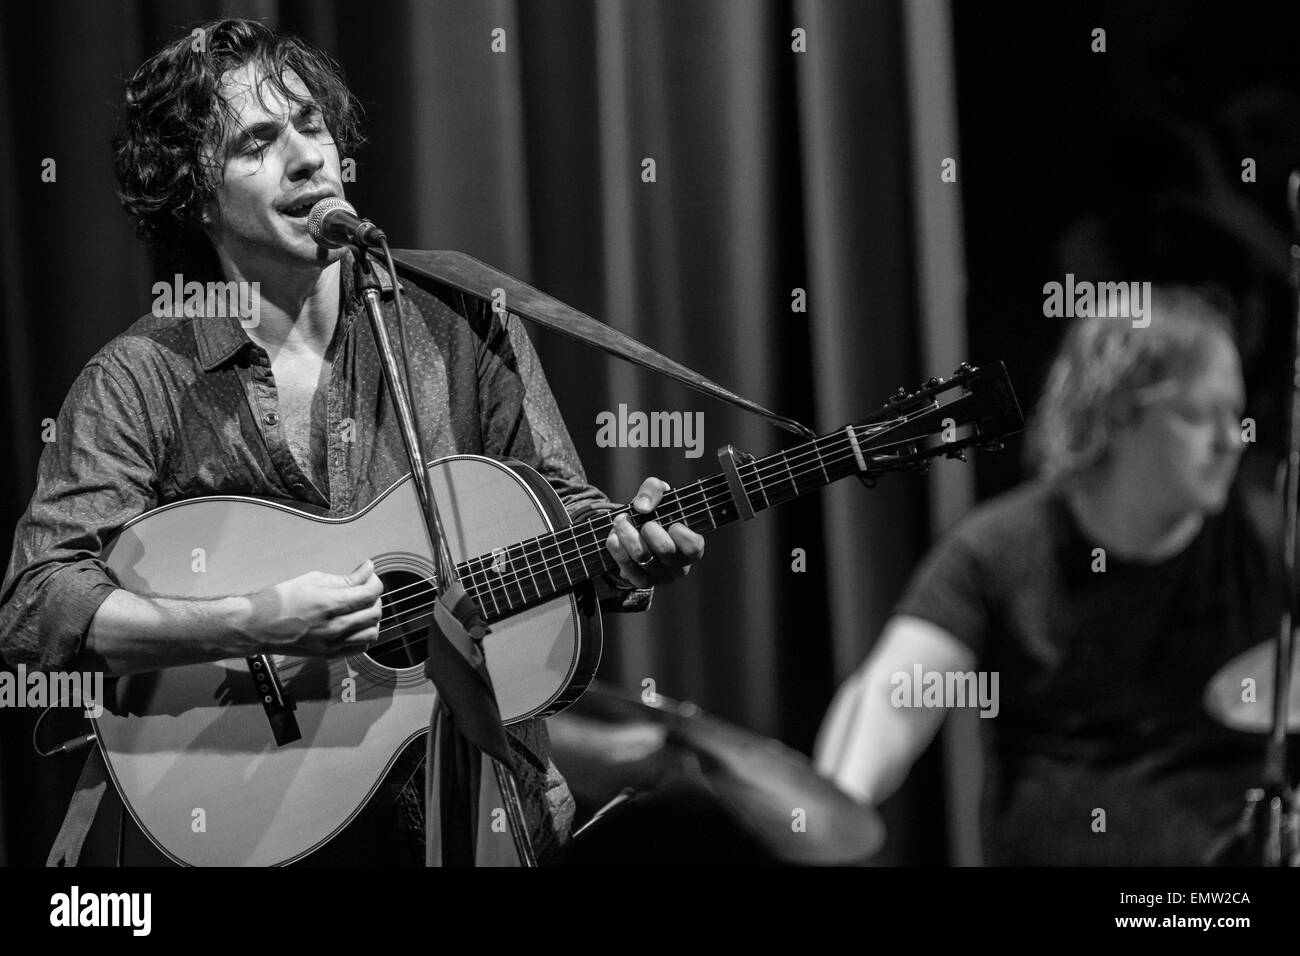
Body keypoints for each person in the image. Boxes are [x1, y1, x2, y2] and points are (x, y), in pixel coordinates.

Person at [0, 17, 704, 866]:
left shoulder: (465, 327)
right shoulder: (139, 379)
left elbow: (562, 511)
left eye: (313, 125)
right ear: (194, 193)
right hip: (259, 823)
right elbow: (38, 604)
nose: (307, 157)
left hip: (476, 810)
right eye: (257, 141)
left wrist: (626, 553)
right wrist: (249, 622)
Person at [816, 287, 1281, 865]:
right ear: (1115, 413)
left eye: (1234, 413)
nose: (1230, 441)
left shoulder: (1272, 543)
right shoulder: (997, 549)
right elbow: (893, 695)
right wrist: (832, 812)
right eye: (1196, 415)